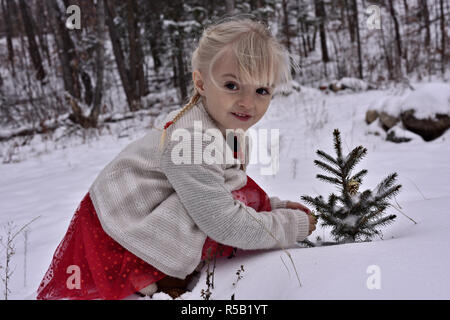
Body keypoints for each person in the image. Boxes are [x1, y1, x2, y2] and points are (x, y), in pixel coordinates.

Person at [36, 16, 317, 300]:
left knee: (203, 201)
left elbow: (221, 189)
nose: (247, 102)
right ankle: (150, 271)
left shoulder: (228, 127)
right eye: (232, 85)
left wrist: (270, 207)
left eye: (261, 90)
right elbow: (223, 222)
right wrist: (288, 225)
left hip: (143, 214)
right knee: (202, 213)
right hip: (120, 228)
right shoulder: (193, 139)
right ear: (201, 83)